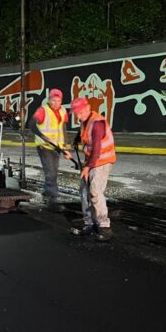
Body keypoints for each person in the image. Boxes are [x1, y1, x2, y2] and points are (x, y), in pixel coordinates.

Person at [69, 97, 116, 242]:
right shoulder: (85, 120)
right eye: (75, 113)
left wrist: (87, 167)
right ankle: (89, 223)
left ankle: (104, 227)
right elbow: (84, 134)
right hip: (90, 160)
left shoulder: (98, 123)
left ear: (86, 109)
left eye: (78, 112)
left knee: (95, 191)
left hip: (102, 162)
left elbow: (96, 149)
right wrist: (77, 139)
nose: (77, 116)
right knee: (84, 192)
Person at [29, 89, 71, 207]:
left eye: (58, 101)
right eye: (53, 100)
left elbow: (63, 128)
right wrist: (43, 136)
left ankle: (47, 190)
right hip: (44, 146)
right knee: (50, 171)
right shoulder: (43, 110)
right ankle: (54, 196)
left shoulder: (63, 111)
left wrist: (65, 147)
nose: (55, 103)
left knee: (53, 171)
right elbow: (31, 125)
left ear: (61, 101)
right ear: (49, 100)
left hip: (57, 147)